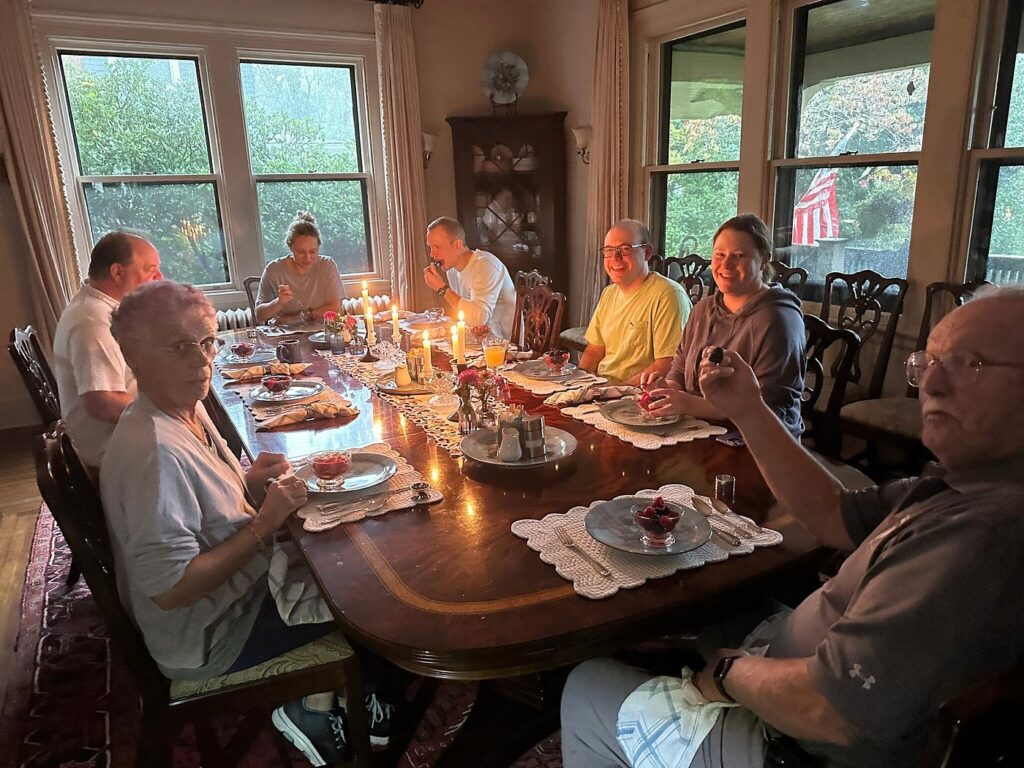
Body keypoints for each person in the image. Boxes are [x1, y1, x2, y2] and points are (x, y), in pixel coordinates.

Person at [560, 285, 1024, 768]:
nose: (930, 385)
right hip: (812, 657)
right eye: (928, 363)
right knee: (716, 608)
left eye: (969, 363)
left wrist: (727, 673)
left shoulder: (984, 533)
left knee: (584, 685)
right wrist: (747, 407)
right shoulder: (967, 482)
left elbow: (830, 710)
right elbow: (832, 514)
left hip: (796, 745)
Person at [100, 281, 390, 766]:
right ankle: (315, 706)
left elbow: (207, 511)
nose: (202, 360)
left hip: (241, 591)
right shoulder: (152, 450)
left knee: (356, 546)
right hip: (212, 633)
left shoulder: (182, 407)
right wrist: (263, 524)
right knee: (371, 596)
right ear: (133, 356)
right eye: (179, 347)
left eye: (207, 341)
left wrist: (250, 485)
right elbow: (171, 589)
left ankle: (345, 694)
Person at [640, 214, 805, 436]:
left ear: (764, 260)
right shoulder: (702, 309)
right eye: (720, 254)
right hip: (697, 431)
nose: (726, 264)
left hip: (757, 443)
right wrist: (667, 389)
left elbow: (768, 407)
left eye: (739, 255)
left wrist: (688, 404)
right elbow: (679, 368)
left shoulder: (778, 320)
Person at [52, 230, 162, 470]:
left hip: (126, 434)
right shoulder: (93, 322)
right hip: (114, 453)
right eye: (150, 269)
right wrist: (168, 414)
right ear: (117, 272)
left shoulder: (101, 307)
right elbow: (102, 403)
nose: (159, 277)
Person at [580, 220, 692, 385]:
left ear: (647, 253)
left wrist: (617, 391)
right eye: (609, 250)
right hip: (602, 388)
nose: (615, 257)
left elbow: (668, 363)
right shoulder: (608, 293)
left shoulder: (668, 295)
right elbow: (594, 350)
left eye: (625, 249)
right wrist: (578, 383)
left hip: (637, 397)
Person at [422, 216, 516, 339]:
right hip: (476, 340)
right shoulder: (451, 269)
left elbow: (478, 319)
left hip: (502, 345)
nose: (432, 254)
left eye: (437, 247)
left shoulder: (486, 265)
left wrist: (442, 288)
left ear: (457, 245)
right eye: (430, 247)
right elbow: (465, 316)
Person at [256, 211, 344, 325]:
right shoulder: (274, 270)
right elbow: (259, 315)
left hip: (322, 333)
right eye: (301, 252)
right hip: (286, 337)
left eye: (313, 251)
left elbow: (336, 309)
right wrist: (278, 303)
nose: (307, 258)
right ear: (290, 247)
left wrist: (298, 317)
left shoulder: (327, 265)